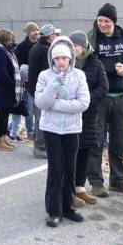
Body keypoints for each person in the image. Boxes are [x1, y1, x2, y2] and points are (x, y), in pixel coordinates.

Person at [86, 3, 123, 197]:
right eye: (100, 20)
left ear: (114, 22)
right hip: (99, 98)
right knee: (96, 140)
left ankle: (118, 180)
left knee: (120, 141)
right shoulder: (90, 39)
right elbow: (80, 63)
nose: (102, 24)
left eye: (107, 21)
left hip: (122, 96)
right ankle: (96, 181)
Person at [35, 36, 90, 227]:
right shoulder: (45, 76)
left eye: (64, 58)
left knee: (69, 168)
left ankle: (67, 206)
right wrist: (54, 85)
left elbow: (83, 103)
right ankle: (54, 210)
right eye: (57, 58)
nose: (61, 62)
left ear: (71, 59)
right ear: (52, 58)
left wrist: (55, 104)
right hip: (51, 129)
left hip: (72, 129)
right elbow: (40, 102)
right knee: (56, 169)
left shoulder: (79, 76)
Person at [69, 30, 108, 207]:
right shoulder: (66, 63)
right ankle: (68, 190)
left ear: (84, 47)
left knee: (84, 151)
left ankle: (80, 188)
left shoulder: (95, 63)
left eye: (75, 46)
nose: (73, 49)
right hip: (70, 115)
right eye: (71, 46)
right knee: (70, 153)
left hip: (88, 115)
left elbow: (103, 87)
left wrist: (86, 101)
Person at [27, 24, 60, 159]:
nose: (57, 37)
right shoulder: (47, 50)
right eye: (55, 35)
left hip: (34, 89)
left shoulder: (36, 47)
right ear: (50, 36)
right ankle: (40, 148)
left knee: (39, 119)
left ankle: (39, 145)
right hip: (41, 91)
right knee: (42, 119)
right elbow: (49, 73)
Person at [0, 29, 24, 151]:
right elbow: (1, 73)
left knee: (5, 115)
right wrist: (13, 84)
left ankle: (3, 137)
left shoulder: (3, 50)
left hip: (5, 89)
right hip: (2, 89)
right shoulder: (0, 51)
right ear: (5, 39)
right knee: (1, 116)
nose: (12, 42)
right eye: (10, 39)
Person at [13, 22, 39, 139]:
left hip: (40, 82)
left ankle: (38, 130)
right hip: (27, 83)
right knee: (28, 108)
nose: (36, 32)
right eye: (34, 30)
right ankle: (30, 131)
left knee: (38, 110)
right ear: (28, 33)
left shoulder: (40, 44)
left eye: (37, 30)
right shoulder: (21, 47)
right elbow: (17, 65)